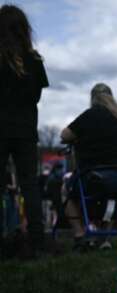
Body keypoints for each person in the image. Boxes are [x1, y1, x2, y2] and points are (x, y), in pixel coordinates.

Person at [60, 83, 117, 250]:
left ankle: (80, 235)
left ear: (93, 99)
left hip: (98, 176)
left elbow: (64, 135)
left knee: (67, 190)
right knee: (114, 196)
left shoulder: (92, 115)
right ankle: (105, 238)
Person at [0, 5, 49, 257]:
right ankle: (37, 241)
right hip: (25, 131)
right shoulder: (35, 60)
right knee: (30, 186)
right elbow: (36, 97)